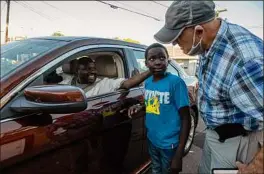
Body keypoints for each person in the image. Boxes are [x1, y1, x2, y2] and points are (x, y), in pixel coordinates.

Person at [154, 1, 263, 173]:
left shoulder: (244, 61)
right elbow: (223, 85)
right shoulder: (207, 43)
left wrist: (257, 166)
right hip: (214, 136)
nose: (174, 43)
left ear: (198, 30)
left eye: (177, 36)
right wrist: (198, 95)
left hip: (238, 142)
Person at [128, 43, 191, 174]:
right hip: (153, 140)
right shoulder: (149, 81)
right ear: (146, 63)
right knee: (156, 169)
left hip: (170, 144)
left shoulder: (176, 83)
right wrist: (141, 107)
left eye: (162, 58)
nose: (157, 62)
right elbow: (154, 105)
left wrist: (179, 154)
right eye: (152, 59)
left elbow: (186, 118)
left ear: (168, 60)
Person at [61, 56, 151, 97]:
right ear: (77, 72)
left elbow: (127, 84)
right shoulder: (68, 80)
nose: (92, 71)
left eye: (94, 68)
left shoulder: (104, 83)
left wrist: (151, 70)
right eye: (87, 69)